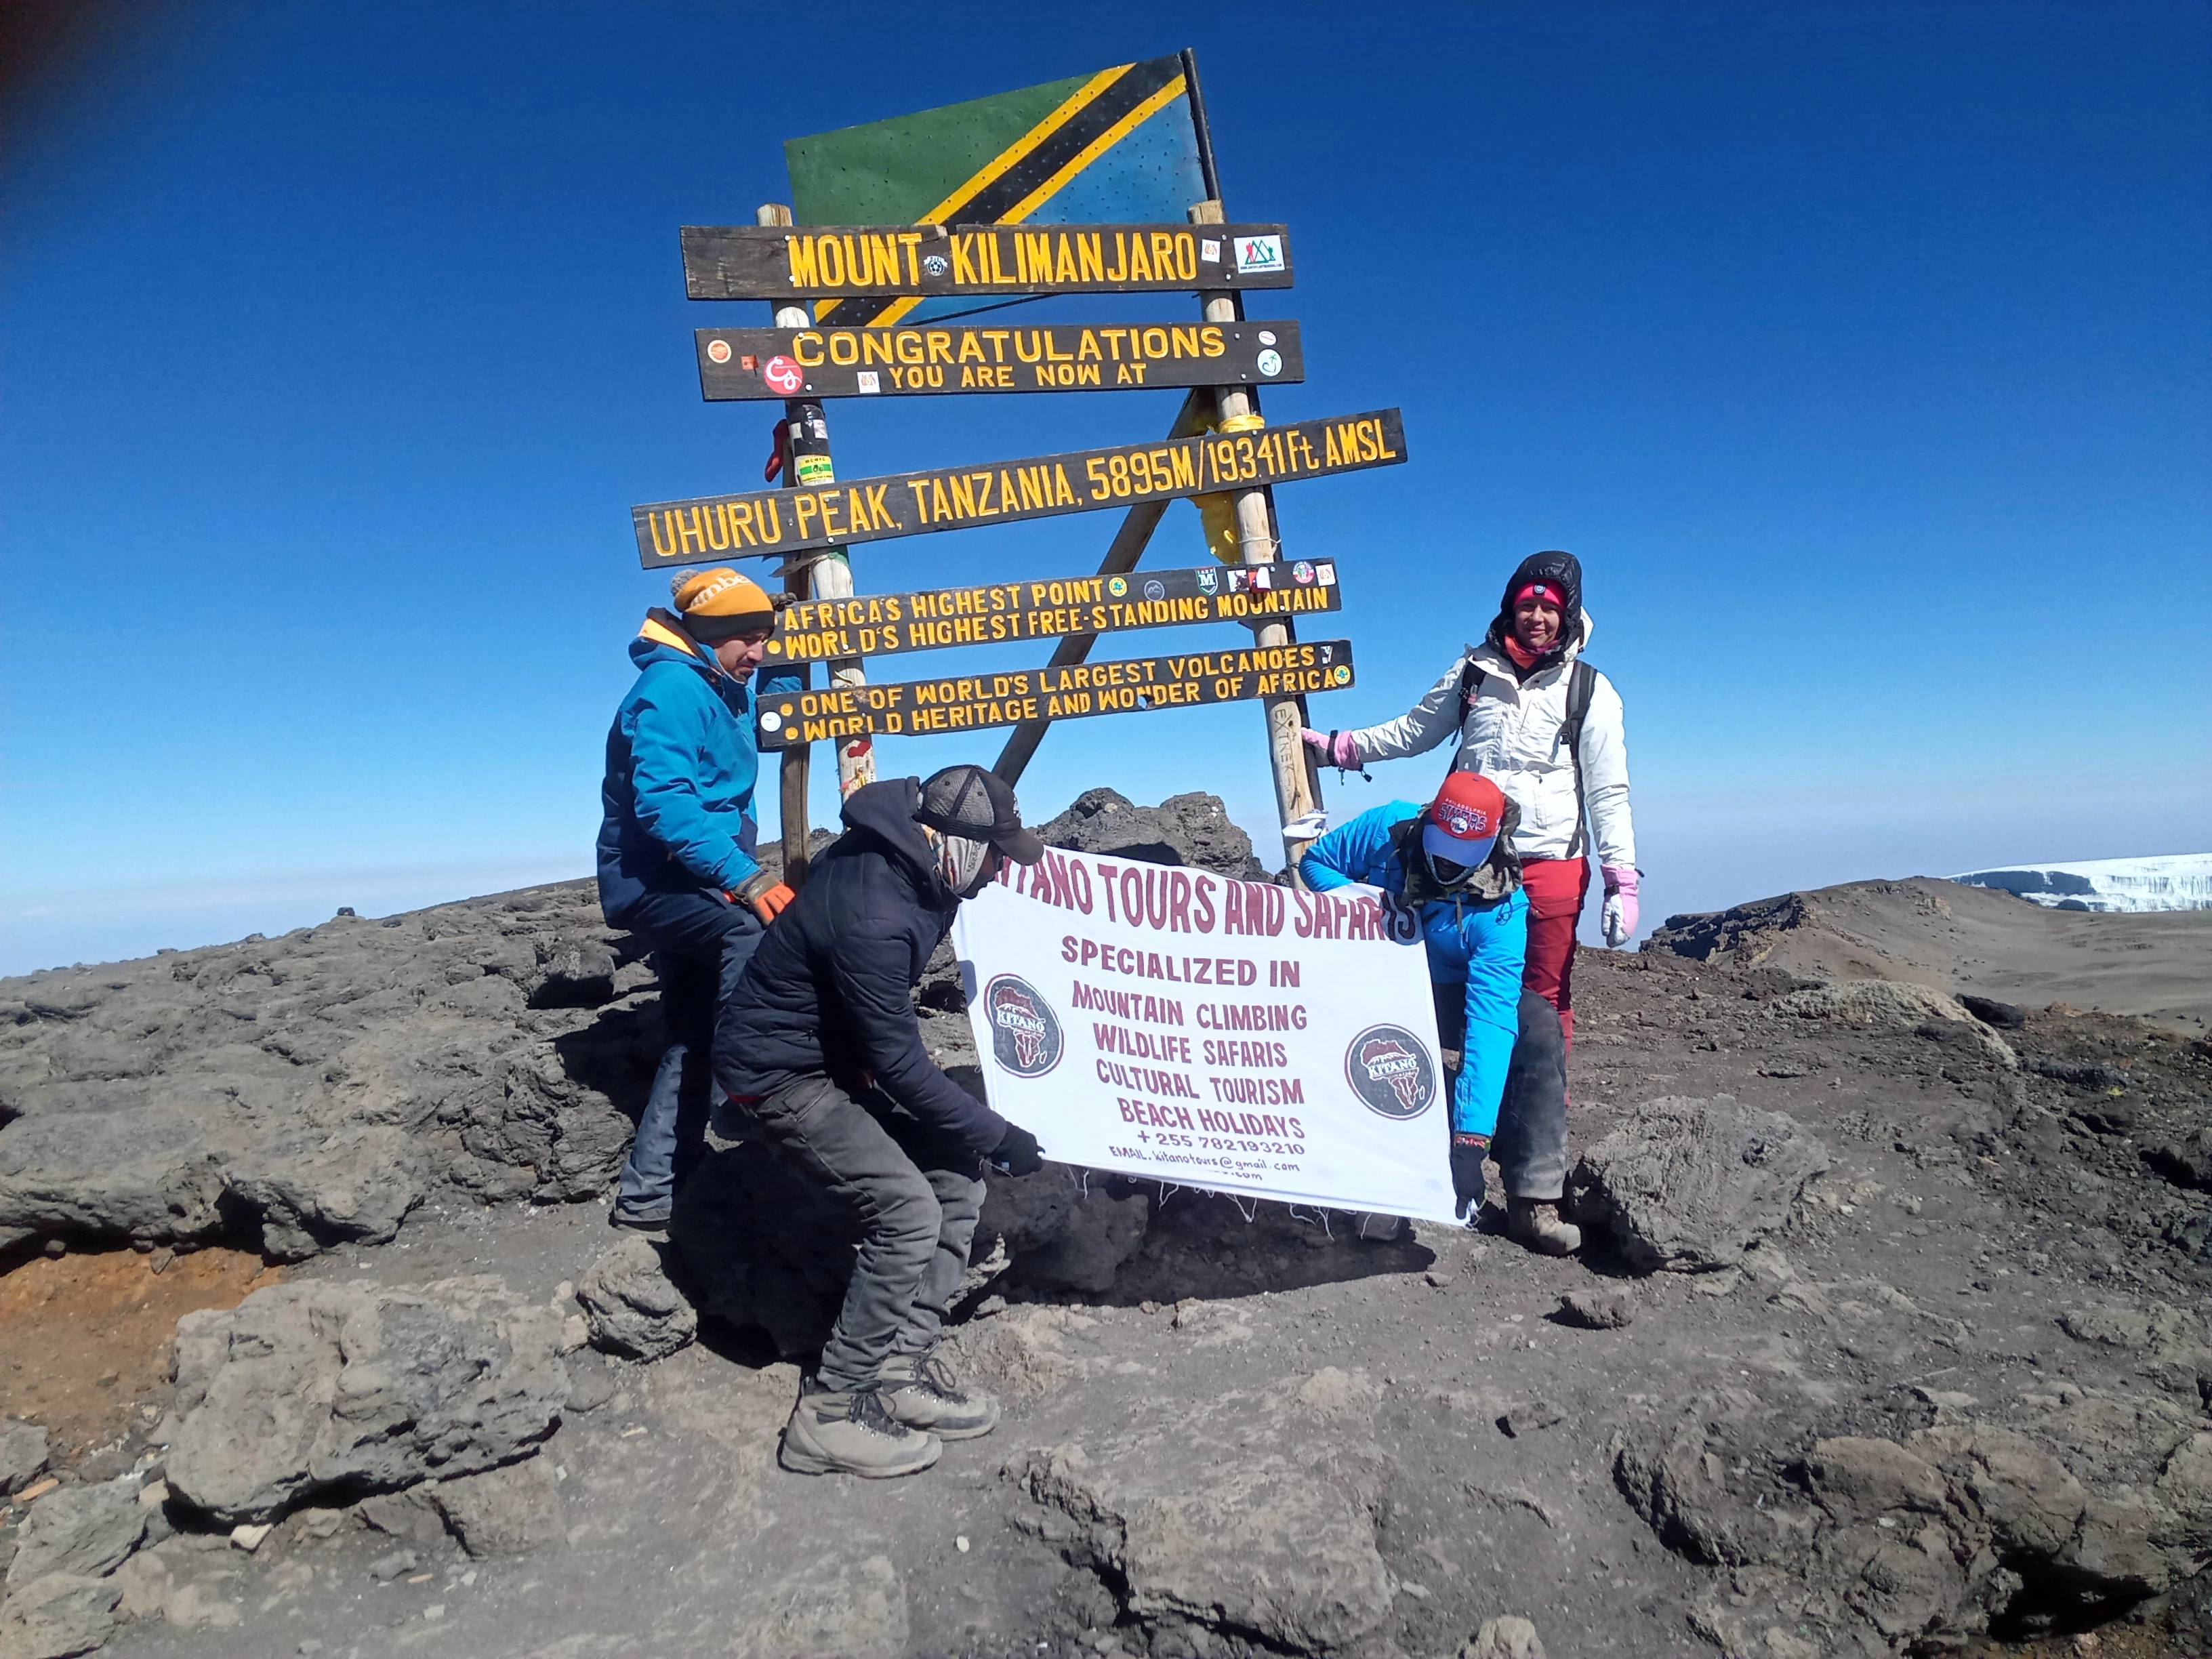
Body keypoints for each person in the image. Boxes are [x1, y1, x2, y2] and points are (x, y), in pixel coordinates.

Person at [716, 764, 1050, 1479]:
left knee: (953, 1177)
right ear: (955, 844)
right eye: (994, 855)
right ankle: (830, 1413)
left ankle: (898, 1371)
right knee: (904, 1212)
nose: (999, 872)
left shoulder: (912, 864)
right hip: (779, 1077)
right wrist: (1002, 1136)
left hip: (827, 1062)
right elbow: (902, 1066)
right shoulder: (879, 911)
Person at [1302, 550, 1637, 1051]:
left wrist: (1621, 879)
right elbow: (1416, 729)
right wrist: (1344, 749)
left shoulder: (1590, 690)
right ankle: (1460, 1099)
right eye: (1528, 605)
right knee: (1451, 980)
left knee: (1544, 996)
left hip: (1550, 863)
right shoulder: (1474, 672)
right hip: (1465, 856)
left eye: (1550, 609)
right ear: (1511, 607)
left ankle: (1536, 1117)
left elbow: (1608, 790)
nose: (1537, 618)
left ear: (1567, 615)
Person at [1300, 773, 1579, 1254]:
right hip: (1381, 974)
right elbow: (1317, 863)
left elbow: (1490, 1021)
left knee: (1534, 1025)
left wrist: (1471, 1141)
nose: (1448, 862)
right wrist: (1369, 909)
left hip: (1450, 988)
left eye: (1464, 854)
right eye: (1441, 845)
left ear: (1491, 844)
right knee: (1381, 1043)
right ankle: (1388, 1185)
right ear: (1428, 821)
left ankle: (1533, 1195)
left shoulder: (1502, 906)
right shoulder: (1388, 828)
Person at [596, 568, 795, 1232]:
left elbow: (779, 709)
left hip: (697, 877)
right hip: (656, 881)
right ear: (708, 635)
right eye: (747, 638)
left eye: (765, 637)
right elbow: (666, 803)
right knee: (755, 934)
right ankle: (746, 1088)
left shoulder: (721, 679)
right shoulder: (672, 687)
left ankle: (650, 1195)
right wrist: (747, 878)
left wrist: (792, 640)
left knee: (691, 1035)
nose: (758, 652)